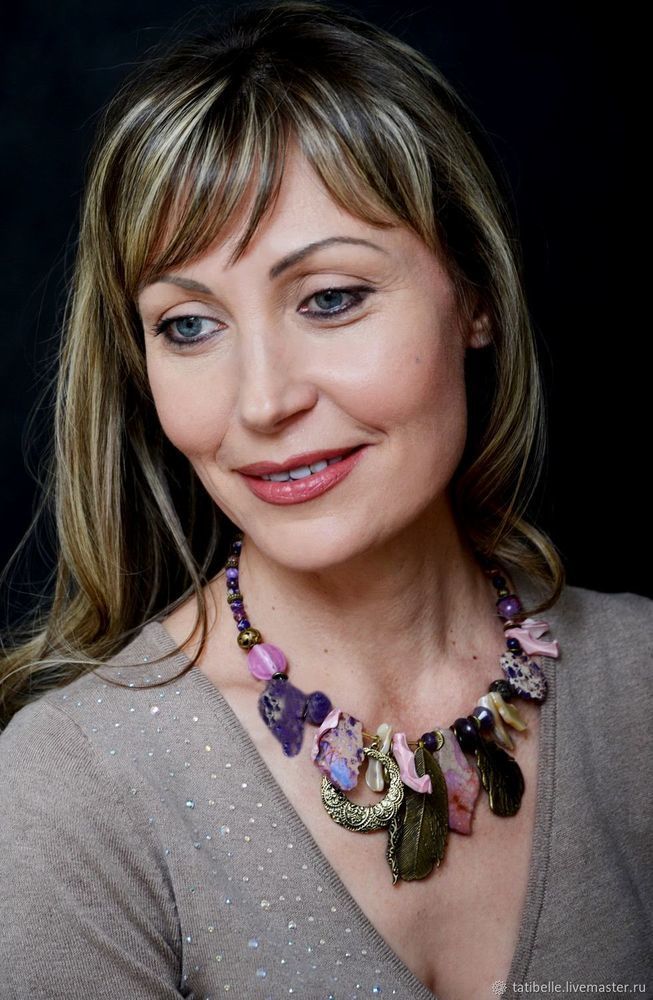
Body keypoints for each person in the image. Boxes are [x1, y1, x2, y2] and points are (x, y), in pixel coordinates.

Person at [0, 2, 650, 998]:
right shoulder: (73, 791)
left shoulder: (639, 688)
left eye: (330, 298)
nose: (263, 401)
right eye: (188, 324)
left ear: (474, 294)